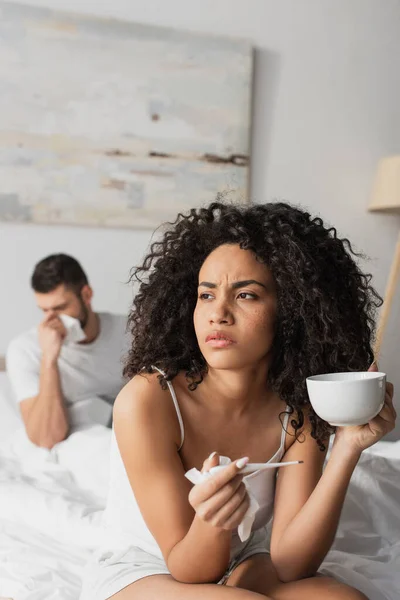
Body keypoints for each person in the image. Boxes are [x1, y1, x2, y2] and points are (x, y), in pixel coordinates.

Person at [80, 201, 396, 600]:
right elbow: (189, 568)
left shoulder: (297, 408)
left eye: (245, 295)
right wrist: (214, 519)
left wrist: (348, 447)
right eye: (206, 295)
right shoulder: (148, 400)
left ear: (292, 310)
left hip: (245, 562)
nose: (218, 314)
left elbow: (291, 563)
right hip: (150, 569)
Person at [6, 253, 127, 449]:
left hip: (129, 429)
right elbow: (46, 438)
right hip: (81, 444)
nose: (52, 320)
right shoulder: (26, 350)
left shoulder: (131, 331)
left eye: (61, 307)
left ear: (86, 295)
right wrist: (49, 358)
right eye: (44, 310)